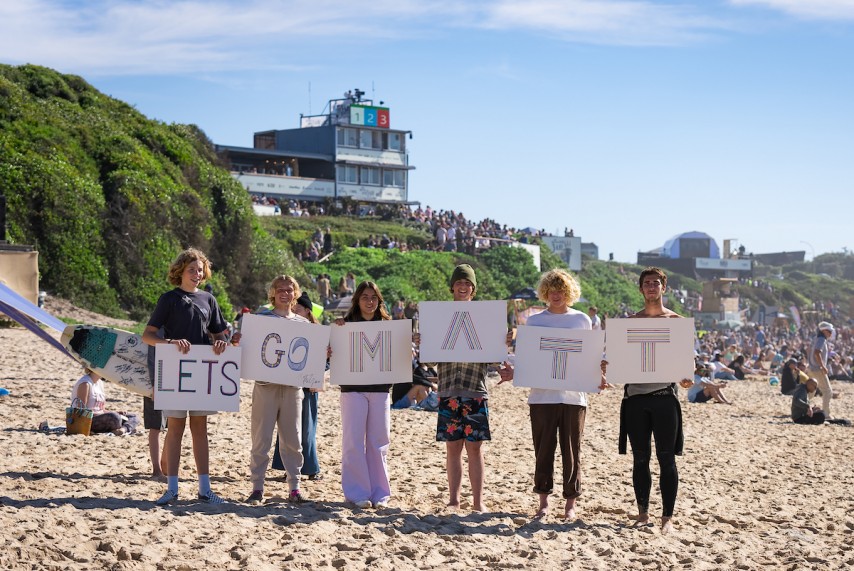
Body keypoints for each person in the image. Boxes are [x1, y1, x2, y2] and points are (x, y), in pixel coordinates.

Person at [497, 269, 594, 520]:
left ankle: (571, 504)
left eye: (561, 290)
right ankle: (543, 502)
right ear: (545, 292)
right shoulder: (535, 321)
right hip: (541, 397)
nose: (557, 295)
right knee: (543, 451)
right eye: (552, 290)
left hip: (574, 397)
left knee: (572, 451)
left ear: (569, 292)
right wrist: (514, 374)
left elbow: (589, 359)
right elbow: (530, 361)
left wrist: (598, 374)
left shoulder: (582, 320)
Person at [142, 248, 230, 506]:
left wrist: (221, 343)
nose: (197, 274)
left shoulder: (209, 299)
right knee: (176, 429)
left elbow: (219, 334)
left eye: (200, 270)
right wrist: (169, 342)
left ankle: (205, 489)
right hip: (173, 371)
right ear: (180, 271)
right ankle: (172, 488)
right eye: (192, 269)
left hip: (201, 371)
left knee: (200, 429)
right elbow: (148, 335)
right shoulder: (168, 299)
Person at [432, 264, 507, 512]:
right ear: (452, 287)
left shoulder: (485, 319)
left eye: (468, 284)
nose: (463, 287)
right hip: (449, 389)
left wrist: (503, 350)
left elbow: (494, 357)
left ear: (473, 290)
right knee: (452, 448)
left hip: (475, 389)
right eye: (459, 283)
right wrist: (424, 343)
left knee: (475, 449)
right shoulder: (439, 316)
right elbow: (430, 360)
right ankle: (454, 499)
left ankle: (477, 502)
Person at [618, 267, 685, 535]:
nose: (651, 287)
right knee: (640, 458)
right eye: (647, 283)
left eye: (656, 283)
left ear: (663, 288)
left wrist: (686, 376)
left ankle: (667, 516)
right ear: (640, 288)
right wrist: (607, 364)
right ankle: (643, 512)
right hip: (635, 398)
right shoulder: (630, 322)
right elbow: (620, 361)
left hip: (664, 397)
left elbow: (685, 361)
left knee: (667, 459)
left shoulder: (676, 321)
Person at [244, 275, 308, 505]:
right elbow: (248, 348)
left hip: (292, 388)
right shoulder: (261, 319)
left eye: (289, 290)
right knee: (261, 438)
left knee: (293, 439)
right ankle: (257, 487)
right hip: (265, 387)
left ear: (295, 293)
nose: (285, 293)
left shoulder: (304, 325)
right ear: (272, 292)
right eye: (280, 289)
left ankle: (294, 487)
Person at [336, 280, 393, 508]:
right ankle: (357, 493)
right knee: (353, 441)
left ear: (379, 301)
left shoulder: (389, 326)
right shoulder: (344, 325)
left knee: (379, 442)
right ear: (357, 301)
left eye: (373, 297)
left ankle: (380, 494)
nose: (369, 301)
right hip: (352, 389)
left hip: (380, 389)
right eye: (365, 297)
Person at [271, 292, 324, 481]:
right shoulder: (286, 329)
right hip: (288, 384)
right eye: (293, 308)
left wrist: (318, 379)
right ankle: (289, 468)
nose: (294, 310)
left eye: (298, 308)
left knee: (307, 428)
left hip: (308, 387)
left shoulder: (317, 331)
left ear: (308, 312)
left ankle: (311, 468)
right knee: (288, 427)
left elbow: (325, 360)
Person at [70, 369, 139, 435]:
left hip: (101, 417)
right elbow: (80, 410)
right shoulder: (85, 384)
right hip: (88, 420)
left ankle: (123, 430)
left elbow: (100, 409)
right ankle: (125, 428)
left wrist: (113, 412)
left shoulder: (100, 383)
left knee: (133, 416)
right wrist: (111, 414)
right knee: (115, 417)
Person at [807, 322, 835, 420]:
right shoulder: (821, 339)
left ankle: (802, 408)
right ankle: (826, 414)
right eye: (829, 331)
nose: (831, 333)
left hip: (811, 367)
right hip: (817, 369)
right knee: (828, 391)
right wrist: (823, 366)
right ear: (824, 331)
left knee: (811, 390)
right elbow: (817, 352)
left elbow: (809, 350)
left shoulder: (815, 338)